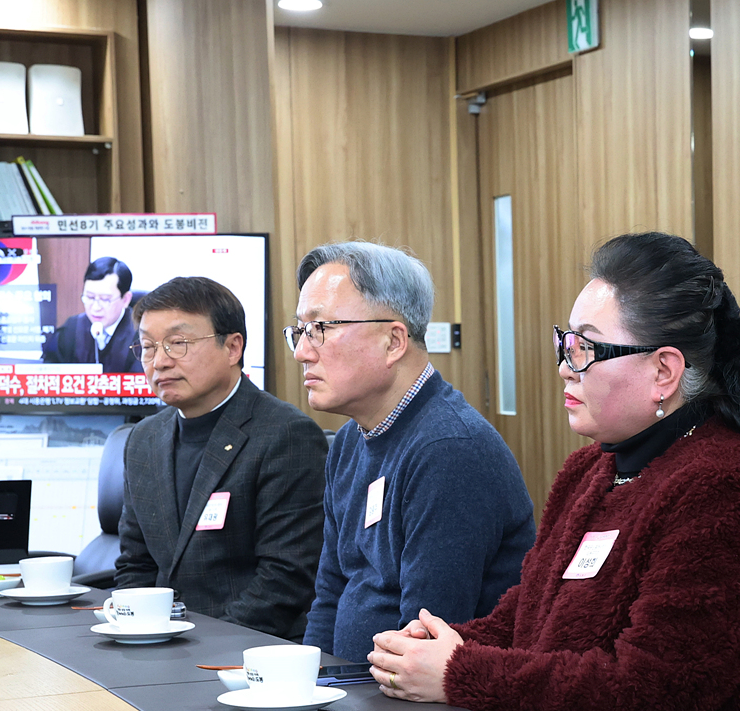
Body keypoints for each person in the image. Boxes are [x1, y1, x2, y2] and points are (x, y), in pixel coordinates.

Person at [364, 233, 740, 711]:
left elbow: (648, 696)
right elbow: (528, 615)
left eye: (586, 348)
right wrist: (436, 645)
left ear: (663, 371)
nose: (564, 365)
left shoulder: (725, 488)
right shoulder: (594, 468)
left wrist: (459, 672)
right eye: (566, 342)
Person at [296, 240, 534, 661]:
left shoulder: (448, 450)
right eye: (299, 330)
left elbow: (423, 641)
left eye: (321, 328)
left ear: (394, 341)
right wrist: (308, 679)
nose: (301, 351)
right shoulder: (350, 440)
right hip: (351, 688)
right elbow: (330, 594)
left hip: (411, 695)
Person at [113, 275, 326, 639]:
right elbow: (135, 565)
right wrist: (136, 632)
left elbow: (285, 580)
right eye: (148, 347)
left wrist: (200, 650)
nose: (159, 362)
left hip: (248, 649)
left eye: (177, 344)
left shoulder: (286, 435)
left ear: (232, 348)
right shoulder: (143, 440)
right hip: (155, 644)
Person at [43, 256, 141, 372]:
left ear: (125, 299)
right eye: (89, 297)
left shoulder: (141, 335)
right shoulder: (71, 329)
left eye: (105, 299)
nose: (95, 307)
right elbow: (48, 371)